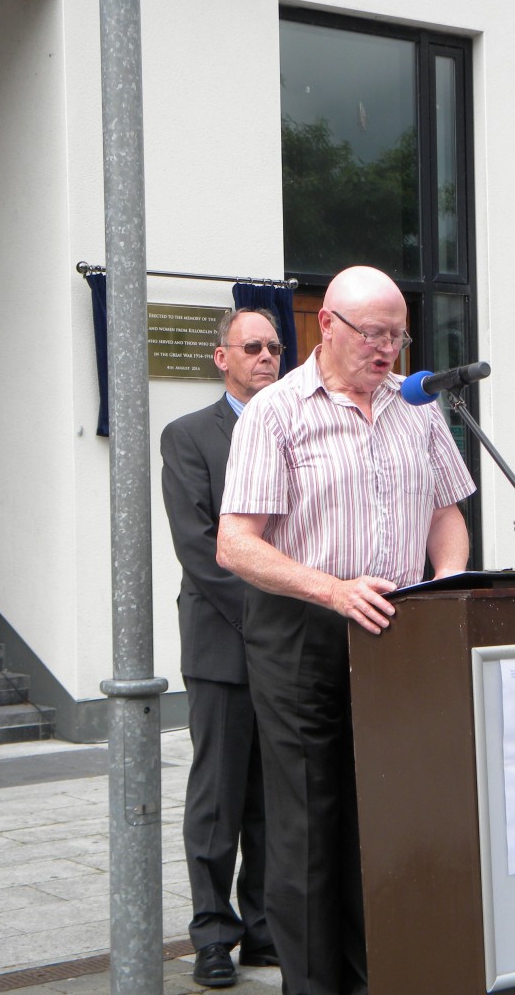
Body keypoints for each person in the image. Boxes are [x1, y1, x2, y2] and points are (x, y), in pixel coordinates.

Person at [216, 265, 476, 995]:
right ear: (326, 324)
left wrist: (445, 580)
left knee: (387, 808)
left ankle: (379, 975)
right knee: (308, 824)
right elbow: (235, 543)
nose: (388, 348)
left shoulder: (416, 405)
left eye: (398, 333)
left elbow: (447, 512)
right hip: (304, 629)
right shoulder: (277, 412)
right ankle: (314, 985)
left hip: (399, 628)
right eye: (374, 333)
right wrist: (331, 589)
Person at [161, 308, 283, 988]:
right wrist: (268, 616)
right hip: (226, 643)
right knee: (218, 799)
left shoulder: (291, 429)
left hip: (289, 645)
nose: (267, 356)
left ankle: (264, 929)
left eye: (274, 347)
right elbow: (201, 549)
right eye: (254, 347)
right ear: (222, 358)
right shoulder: (188, 437)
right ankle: (213, 933)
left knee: (274, 798)